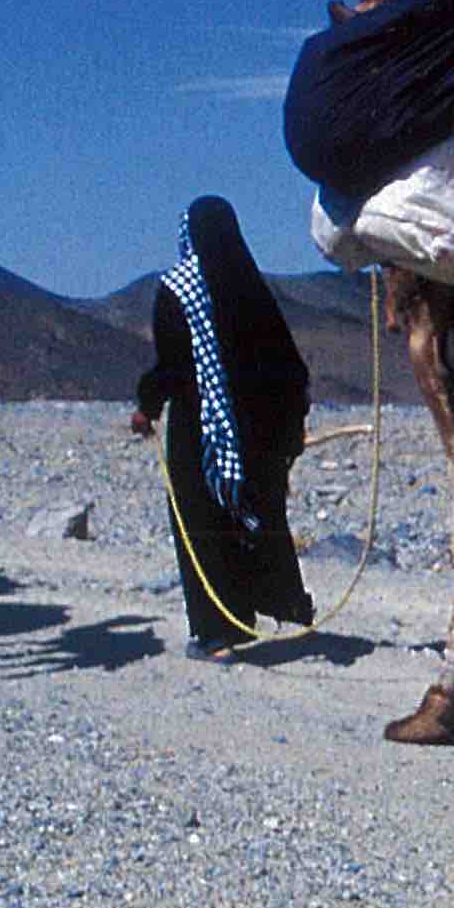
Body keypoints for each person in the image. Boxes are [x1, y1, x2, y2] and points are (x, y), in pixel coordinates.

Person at [130, 195, 315, 656]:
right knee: (252, 514)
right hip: (258, 432)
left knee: (201, 521)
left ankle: (217, 631)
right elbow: (289, 367)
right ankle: (267, 605)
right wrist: (287, 430)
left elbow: (173, 365)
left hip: (200, 433)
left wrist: (146, 405)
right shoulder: (249, 284)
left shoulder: (178, 288)